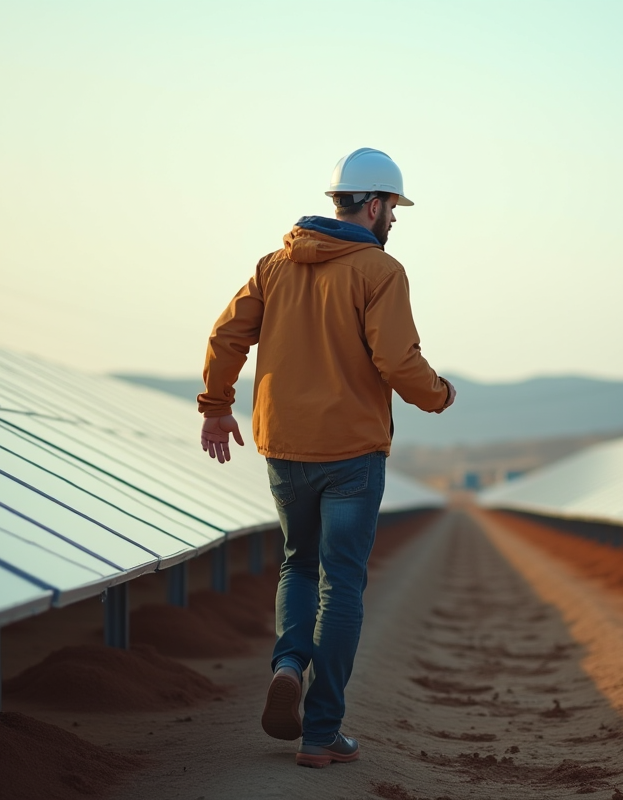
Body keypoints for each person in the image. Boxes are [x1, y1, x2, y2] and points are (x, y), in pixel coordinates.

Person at [196, 147, 455, 768]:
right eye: (393, 207)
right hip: (352, 452)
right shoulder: (378, 271)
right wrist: (438, 395)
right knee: (342, 584)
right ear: (372, 204)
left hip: (284, 446)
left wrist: (215, 405)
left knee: (297, 566)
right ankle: (321, 730)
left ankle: (288, 664)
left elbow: (226, 335)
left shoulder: (273, 265)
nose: (394, 218)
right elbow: (396, 360)